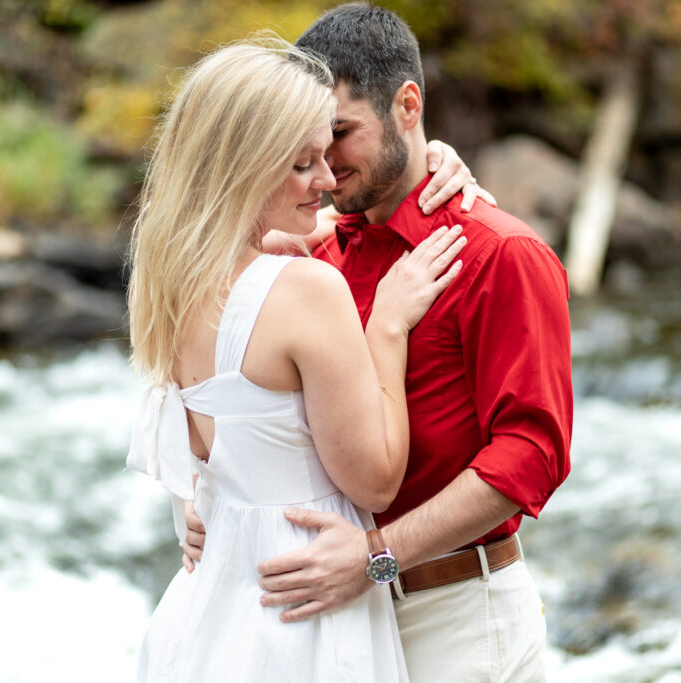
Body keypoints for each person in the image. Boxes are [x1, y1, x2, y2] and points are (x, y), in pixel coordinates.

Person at [184, 5, 574, 681]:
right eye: (305, 142)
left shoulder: (502, 255)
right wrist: (212, 498)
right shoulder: (320, 250)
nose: (325, 169)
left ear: (408, 105)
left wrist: (376, 554)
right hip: (336, 626)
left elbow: (531, 456)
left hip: (457, 618)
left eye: (339, 134)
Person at [123, 38, 469, 682]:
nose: (330, 180)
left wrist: (436, 158)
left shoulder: (168, 275)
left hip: (213, 605)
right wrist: (387, 328)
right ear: (244, 165)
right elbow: (374, 481)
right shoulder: (306, 291)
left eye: (328, 154)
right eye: (303, 162)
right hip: (304, 610)